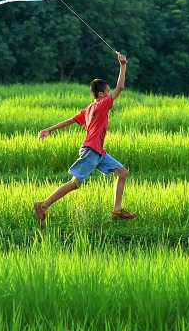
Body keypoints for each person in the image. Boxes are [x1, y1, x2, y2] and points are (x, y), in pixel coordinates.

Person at [33, 52, 136, 228]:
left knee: (123, 173)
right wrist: (123, 65)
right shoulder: (101, 105)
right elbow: (121, 87)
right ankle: (42, 205)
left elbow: (69, 121)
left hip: (98, 151)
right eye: (108, 92)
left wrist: (49, 129)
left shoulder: (87, 109)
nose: (111, 94)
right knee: (75, 183)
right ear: (102, 94)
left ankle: (117, 210)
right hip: (91, 150)